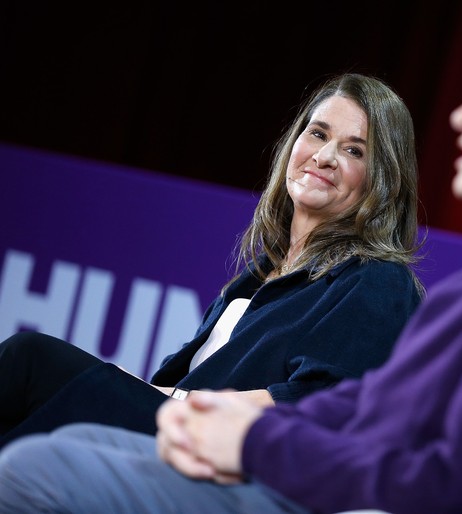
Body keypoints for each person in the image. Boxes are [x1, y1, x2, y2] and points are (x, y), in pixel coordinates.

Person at [0, 20, 462, 514]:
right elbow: (374, 402)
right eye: (317, 135)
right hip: (311, 476)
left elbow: (458, 485)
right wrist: (241, 425)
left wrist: (256, 444)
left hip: (310, 496)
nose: (459, 117)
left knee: (35, 466)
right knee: (75, 436)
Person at [0, 73, 422, 450]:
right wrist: (150, 391)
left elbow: (327, 401)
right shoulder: (258, 275)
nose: (325, 156)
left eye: (354, 150)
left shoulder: (377, 279)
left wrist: (188, 405)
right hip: (177, 429)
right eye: (317, 134)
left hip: (227, 457)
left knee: (32, 359)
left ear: (381, 180)